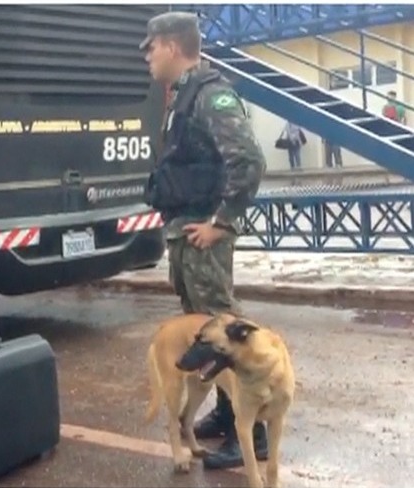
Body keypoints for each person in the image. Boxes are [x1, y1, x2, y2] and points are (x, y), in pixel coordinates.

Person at [139, 12, 268, 470]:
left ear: (173, 46)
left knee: (225, 332)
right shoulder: (182, 97)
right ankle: (225, 412)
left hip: (202, 239)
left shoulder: (211, 95)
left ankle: (251, 434)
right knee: (207, 335)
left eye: (151, 46)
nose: (147, 56)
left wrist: (222, 222)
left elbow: (249, 162)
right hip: (186, 238)